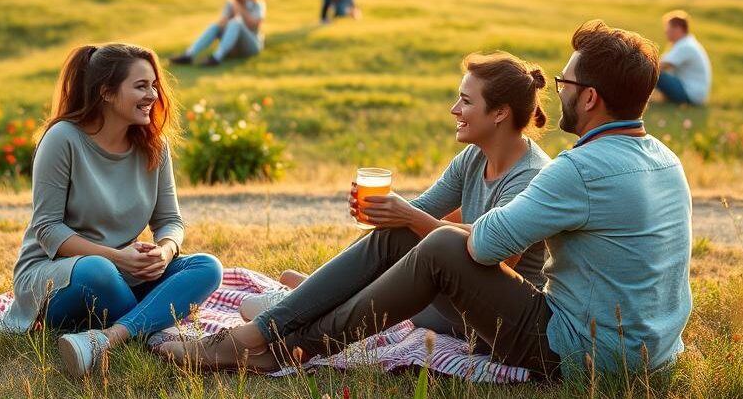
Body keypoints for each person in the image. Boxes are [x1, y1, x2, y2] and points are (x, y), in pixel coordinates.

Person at [163, 20, 692, 380]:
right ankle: (273, 333)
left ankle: (274, 345)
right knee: (416, 236)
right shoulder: (666, 161)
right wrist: (408, 219)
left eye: (566, 82)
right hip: (653, 356)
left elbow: (483, 249)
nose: (560, 92)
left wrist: (412, 218)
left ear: (591, 98)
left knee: (437, 247)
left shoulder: (577, 168)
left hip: (583, 356)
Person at [161, 51, 554, 368]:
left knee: (407, 236)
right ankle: (299, 309)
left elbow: (498, 254)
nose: (454, 108)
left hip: (492, 321)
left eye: (466, 101)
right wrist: (385, 212)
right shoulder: (473, 158)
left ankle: (269, 336)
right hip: (452, 311)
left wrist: (407, 217)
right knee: (397, 235)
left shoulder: (531, 175)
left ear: (500, 112)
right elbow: (418, 214)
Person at [0, 43, 223, 379]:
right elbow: (47, 230)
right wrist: (116, 257)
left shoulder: (154, 145)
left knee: (207, 267)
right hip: (58, 277)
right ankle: (147, 322)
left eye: (154, 85)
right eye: (141, 86)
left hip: (123, 274)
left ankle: (110, 337)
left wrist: (165, 250)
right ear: (106, 92)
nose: (152, 95)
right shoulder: (63, 139)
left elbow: (170, 221)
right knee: (98, 270)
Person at [170, 0, 266, 67]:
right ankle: (189, 55)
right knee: (215, 26)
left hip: (252, 47)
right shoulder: (231, 4)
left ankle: (217, 57)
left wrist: (239, 9)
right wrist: (230, 15)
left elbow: (254, 24)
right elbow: (222, 23)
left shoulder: (258, 4)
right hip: (233, 48)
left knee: (236, 23)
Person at [656, 10, 711, 106]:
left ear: (678, 28)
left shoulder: (685, 46)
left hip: (690, 94)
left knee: (653, 73)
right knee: (654, 72)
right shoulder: (684, 43)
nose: (666, 31)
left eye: (668, 28)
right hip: (692, 92)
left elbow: (660, 66)